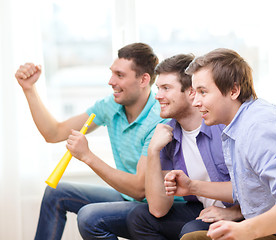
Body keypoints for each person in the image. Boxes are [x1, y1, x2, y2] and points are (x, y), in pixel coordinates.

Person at [15, 43, 167, 240]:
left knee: (90, 217)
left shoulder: (158, 118)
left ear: (143, 79)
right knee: (55, 193)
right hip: (126, 198)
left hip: (154, 207)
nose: (111, 81)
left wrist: (87, 156)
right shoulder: (111, 105)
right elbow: (54, 133)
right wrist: (29, 89)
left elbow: (140, 190)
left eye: (120, 75)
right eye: (112, 73)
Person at [164, 48, 276, 240]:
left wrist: (246, 230)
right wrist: (192, 187)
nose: (196, 101)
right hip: (268, 229)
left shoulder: (259, 127)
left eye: (203, 92)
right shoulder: (237, 126)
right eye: (194, 92)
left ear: (233, 90)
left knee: (192, 238)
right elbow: (249, 188)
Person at [127, 54, 243, 240]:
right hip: (206, 211)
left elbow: (256, 189)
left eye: (166, 88)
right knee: (139, 218)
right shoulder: (168, 134)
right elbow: (158, 208)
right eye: (158, 88)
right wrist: (153, 151)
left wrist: (235, 212)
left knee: (191, 230)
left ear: (191, 92)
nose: (157, 96)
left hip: (244, 213)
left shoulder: (222, 125)